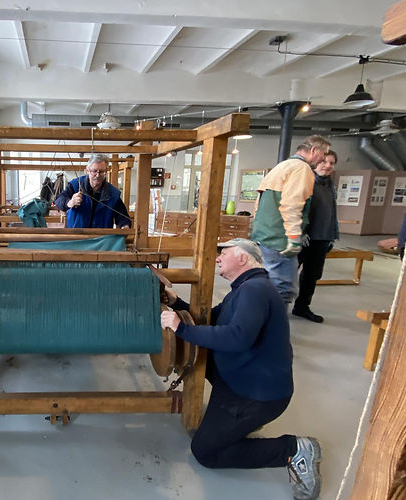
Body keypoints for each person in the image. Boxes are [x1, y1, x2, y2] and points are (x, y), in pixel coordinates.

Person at [160, 238, 321, 500]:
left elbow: (237, 338)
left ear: (243, 258)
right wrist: (178, 304)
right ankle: (233, 426)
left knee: (205, 452)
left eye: (225, 253)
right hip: (242, 378)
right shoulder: (246, 288)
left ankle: (293, 449)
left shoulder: (255, 291)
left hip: (257, 395)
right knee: (201, 352)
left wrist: (182, 329)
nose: (219, 257)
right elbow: (211, 318)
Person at [251, 135, 331, 305]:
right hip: (278, 239)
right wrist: (294, 238)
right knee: (284, 289)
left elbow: (258, 202)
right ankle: (273, 329)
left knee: (266, 282)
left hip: (265, 236)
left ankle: (262, 324)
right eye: (323, 154)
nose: (324, 160)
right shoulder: (301, 169)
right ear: (313, 150)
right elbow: (292, 204)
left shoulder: (281, 167)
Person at [292, 150, 340, 323]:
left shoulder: (329, 185)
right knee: (288, 274)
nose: (327, 166)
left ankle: (302, 306)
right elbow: (295, 207)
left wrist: (332, 235)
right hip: (303, 237)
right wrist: (299, 232)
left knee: (312, 275)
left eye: (332, 163)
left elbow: (331, 212)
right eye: (324, 162)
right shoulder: (307, 181)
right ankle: (275, 308)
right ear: (316, 162)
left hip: (322, 238)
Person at [54, 153, 131, 228]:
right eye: (94, 171)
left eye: (101, 172)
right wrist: (70, 202)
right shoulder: (75, 185)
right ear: (87, 170)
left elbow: (122, 216)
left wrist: (125, 226)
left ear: (106, 171)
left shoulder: (113, 193)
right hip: (76, 237)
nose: (97, 175)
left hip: (101, 239)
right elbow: (58, 200)